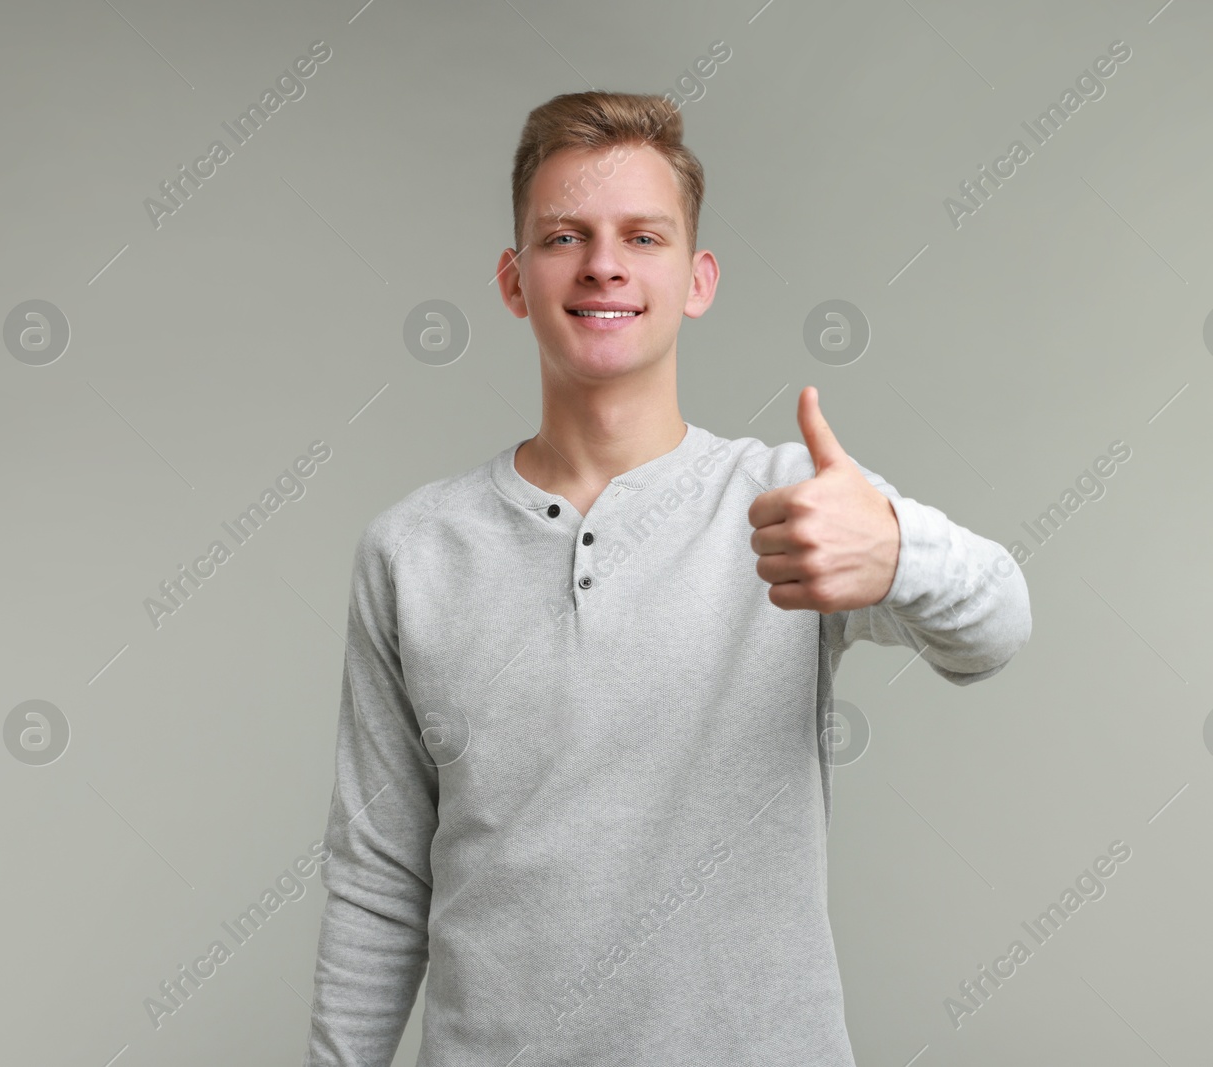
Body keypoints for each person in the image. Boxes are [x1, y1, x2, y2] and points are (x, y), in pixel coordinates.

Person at [303, 89, 1031, 1066]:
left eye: (642, 237)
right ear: (515, 280)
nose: (603, 263)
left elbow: (997, 626)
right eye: (565, 236)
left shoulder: (792, 501)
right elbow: (378, 875)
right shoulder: (411, 550)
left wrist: (897, 547)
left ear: (697, 277)